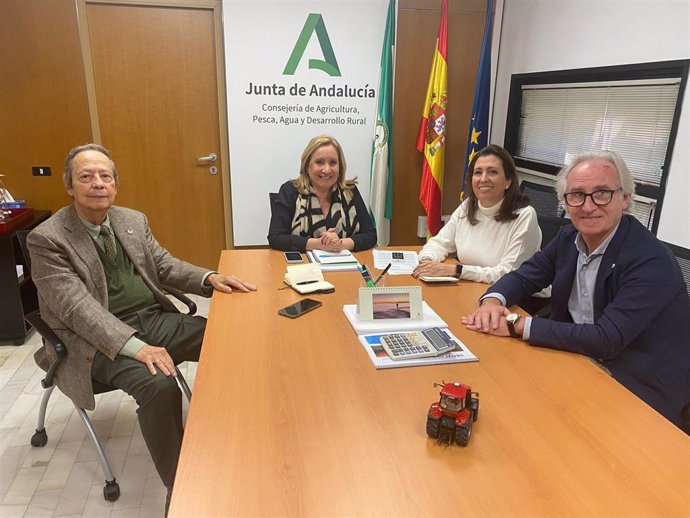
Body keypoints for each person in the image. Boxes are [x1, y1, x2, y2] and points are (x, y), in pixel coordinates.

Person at [27, 144, 257, 507]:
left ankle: (236, 429)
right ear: (69, 185)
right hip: (92, 342)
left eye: (105, 176)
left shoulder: (131, 220)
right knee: (158, 385)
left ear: (115, 184)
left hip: (151, 319)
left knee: (231, 337)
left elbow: (164, 266)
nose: (98, 183)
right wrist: (136, 347)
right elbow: (77, 309)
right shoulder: (47, 238)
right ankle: (181, 487)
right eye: (86, 176)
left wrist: (210, 277)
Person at [461, 150, 690, 433]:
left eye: (602, 193)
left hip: (638, 384)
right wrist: (493, 301)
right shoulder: (569, 237)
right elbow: (524, 276)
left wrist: (515, 325)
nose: (588, 206)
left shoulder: (650, 260)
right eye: (577, 195)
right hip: (576, 361)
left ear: (625, 198)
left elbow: (607, 340)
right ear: (566, 202)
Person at [412, 144, 545, 287]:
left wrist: (457, 270)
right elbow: (438, 243)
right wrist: (427, 261)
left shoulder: (524, 215)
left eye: (492, 172)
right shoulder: (468, 206)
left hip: (518, 297)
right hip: (472, 286)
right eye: (478, 172)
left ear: (508, 181)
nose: (483, 179)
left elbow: (508, 274)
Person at [267, 135, 377, 252]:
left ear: (340, 167)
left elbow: (370, 235)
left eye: (333, 162)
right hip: (304, 267)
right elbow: (276, 238)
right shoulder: (290, 190)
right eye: (319, 162)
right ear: (307, 166)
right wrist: (319, 244)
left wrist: (340, 243)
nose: (327, 169)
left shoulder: (350, 191)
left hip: (342, 264)